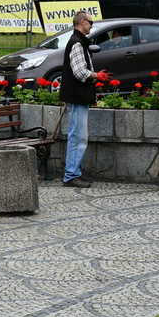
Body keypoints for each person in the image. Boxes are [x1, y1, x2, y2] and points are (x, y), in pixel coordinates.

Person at [59, 11, 111, 188]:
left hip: (77, 96)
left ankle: (74, 172)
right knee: (78, 137)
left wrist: (96, 76)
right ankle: (71, 175)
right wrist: (98, 76)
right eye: (90, 22)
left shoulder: (79, 42)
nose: (91, 25)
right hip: (77, 96)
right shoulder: (77, 43)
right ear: (82, 22)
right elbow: (80, 72)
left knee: (78, 136)